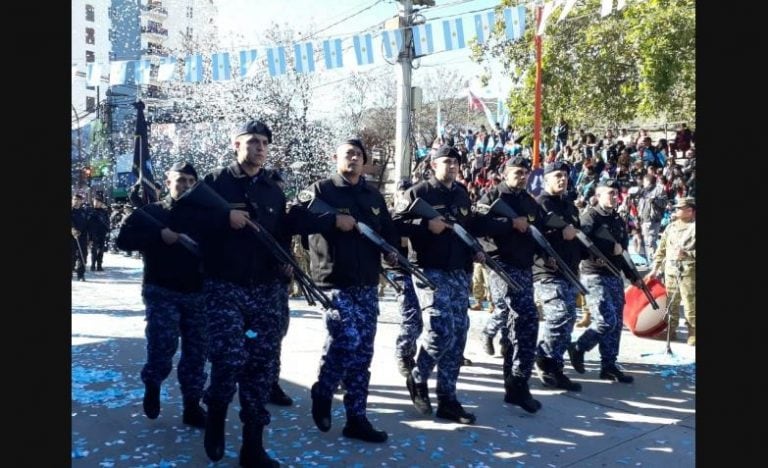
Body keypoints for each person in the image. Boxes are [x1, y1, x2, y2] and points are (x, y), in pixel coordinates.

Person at [191, 120, 313, 466]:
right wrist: (223, 219)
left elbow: (278, 235)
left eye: (264, 142)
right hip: (223, 286)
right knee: (229, 359)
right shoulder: (215, 183)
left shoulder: (273, 190)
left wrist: (285, 262)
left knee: (261, 366)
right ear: (236, 144)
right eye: (252, 141)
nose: (259, 147)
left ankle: (252, 446)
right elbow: (189, 223)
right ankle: (215, 415)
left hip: (264, 289)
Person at [297, 138, 398, 443]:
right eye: (348, 154)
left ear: (364, 161)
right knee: (347, 338)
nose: (353, 158)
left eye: (358, 154)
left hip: (366, 281)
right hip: (333, 280)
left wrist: (392, 250)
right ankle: (324, 389)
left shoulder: (373, 195)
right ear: (336, 158)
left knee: (363, 352)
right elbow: (295, 219)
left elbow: (388, 230)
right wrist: (332, 219)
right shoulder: (320, 190)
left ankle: (357, 418)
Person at [115, 161, 209, 428]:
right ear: (168, 182)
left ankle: (192, 405)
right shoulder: (151, 213)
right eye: (180, 180)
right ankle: (153, 383)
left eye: (191, 181)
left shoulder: (204, 215)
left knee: (196, 353)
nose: (186, 185)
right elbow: (123, 241)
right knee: (162, 345)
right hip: (162, 290)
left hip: (197, 293)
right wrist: (158, 235)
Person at [393, 145, 481, 425]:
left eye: (455, 161)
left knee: (458, 334)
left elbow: (468, 228)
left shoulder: (461, 193)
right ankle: (418, 378)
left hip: (459, 271)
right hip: (429, 270)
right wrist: (424, 225)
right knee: (441, 328)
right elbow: (393, 224)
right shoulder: (419, 193)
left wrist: (476, 250)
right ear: (433, 165)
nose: (452, 166)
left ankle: (448, 398)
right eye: (446, 161)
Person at [474, 156, 547, 413]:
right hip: (501, 266)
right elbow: (477, 225)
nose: (522, 176)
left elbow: (537, 233)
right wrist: (509, 223)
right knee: (522, 318)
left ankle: (516, 383)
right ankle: (517, 384)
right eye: (517, 172)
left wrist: (547, 258)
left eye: (525, 172)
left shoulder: (529, 201)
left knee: (518, 324)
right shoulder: (492, 196)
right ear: (505, 173)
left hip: (524, 268)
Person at [567, 180, 643, 384]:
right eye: (609, 193)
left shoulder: (617, 219)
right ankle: (579, 347)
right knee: (605, 320)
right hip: (595, 275)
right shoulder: (590, 217)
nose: (613, 196)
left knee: (616, 323)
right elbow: (581, 246)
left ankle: (609, 365)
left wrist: (633, 276)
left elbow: (622, 252)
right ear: (598, 196)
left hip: (614, 275)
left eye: (615, 193)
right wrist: (606, 252)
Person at [533, 161, 585, 392]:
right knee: (559, 316)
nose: (562, 180)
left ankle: (555, 366)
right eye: (557, 176)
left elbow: (577, 236)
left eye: (564, 176)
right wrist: (557, 237)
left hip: (570, 271)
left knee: (569, 320)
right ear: (546, 179)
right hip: (548, 271)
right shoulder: (539, 205)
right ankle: (543, 359)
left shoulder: (570, 206)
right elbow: (533, 237)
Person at [646, 197, 696, 345]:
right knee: (670, 303)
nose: (676, 211)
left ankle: (693, 332)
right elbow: (661, 250)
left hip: (689, 272)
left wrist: (687, 254)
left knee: (690, 303)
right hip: (670, 271)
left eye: (680, 208)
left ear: (690, 211)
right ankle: (670, 330)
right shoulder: (671, 227)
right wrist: (655, 268)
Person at [392, 180, 424, 379]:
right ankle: (403, 354)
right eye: (400, 193)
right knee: (411, 316)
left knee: (420, 319)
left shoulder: (414, 217)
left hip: (415, 269)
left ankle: (409, 352)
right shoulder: (390, 217)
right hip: (397, 271)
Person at [635, 174, 667, 264]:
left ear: (647, 181)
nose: (643, 183)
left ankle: (656, 261)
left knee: (651, 241)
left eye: (644, 181)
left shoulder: (659, 190)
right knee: (644, 241)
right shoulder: (642, 191)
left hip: (653, 219)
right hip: (643, 219)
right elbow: (639, 204)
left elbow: (664, 203)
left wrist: (655, 200)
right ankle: (650, 260)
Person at [86, 195, 111, 271]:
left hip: (102, 233)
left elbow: (107, 222)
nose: (96, 203)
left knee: (101, 250)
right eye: (95, 201)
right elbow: (87, 222)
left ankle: (99, 265)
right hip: (93, 233)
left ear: (101, 203)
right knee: (94, 250)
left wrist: (107, 231)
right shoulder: (89, 210)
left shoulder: (104, 212)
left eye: (98, 202)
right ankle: (93, 265)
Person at [71, 194, 89, 281]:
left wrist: (88, 237)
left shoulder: (84, 212)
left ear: (81, 201)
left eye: (78, 200)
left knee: (83, 256)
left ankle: (80, 274)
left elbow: (87, 225)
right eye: (74, 199)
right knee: (72, 255)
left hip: (82, 236)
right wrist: (72, 229)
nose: (76, 201)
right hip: (72, 236)